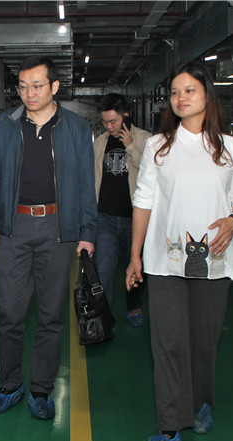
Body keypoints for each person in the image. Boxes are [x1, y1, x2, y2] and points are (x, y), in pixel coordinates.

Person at [125, 61, 233, 441]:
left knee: (203, 340)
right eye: (175, 92)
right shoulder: (158, 146)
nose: (180, 98)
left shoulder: (231, 148)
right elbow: (143, 200)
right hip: (165, 261)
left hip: (215, 260)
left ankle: (200, 402)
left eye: (189, 90)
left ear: (207, 95)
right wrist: (135, 255)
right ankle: (169, 426)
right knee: (167, 342)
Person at [0, 56, 97, 420]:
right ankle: (10, 384)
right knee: (9, 312)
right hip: (14, 227)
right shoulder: (5, 125)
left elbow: (86, 182)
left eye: (37, 86)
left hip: (58, 229)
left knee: (51, 314)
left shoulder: (76, 128)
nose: (29, 93)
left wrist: (87, 231)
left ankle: (41, 389)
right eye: (23, 86)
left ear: (54, 86)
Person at [93, 93, 151, 327]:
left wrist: (131, 147)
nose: (109, 126)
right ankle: (104, 315)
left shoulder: (146, 140)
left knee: (135, 266)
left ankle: (134, 306)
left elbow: (151, 172)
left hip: (134, 219)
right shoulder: (100, 142)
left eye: (113, 121)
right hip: (105, 217)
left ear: (126, 116)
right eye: (105, 122)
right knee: (103, 270)